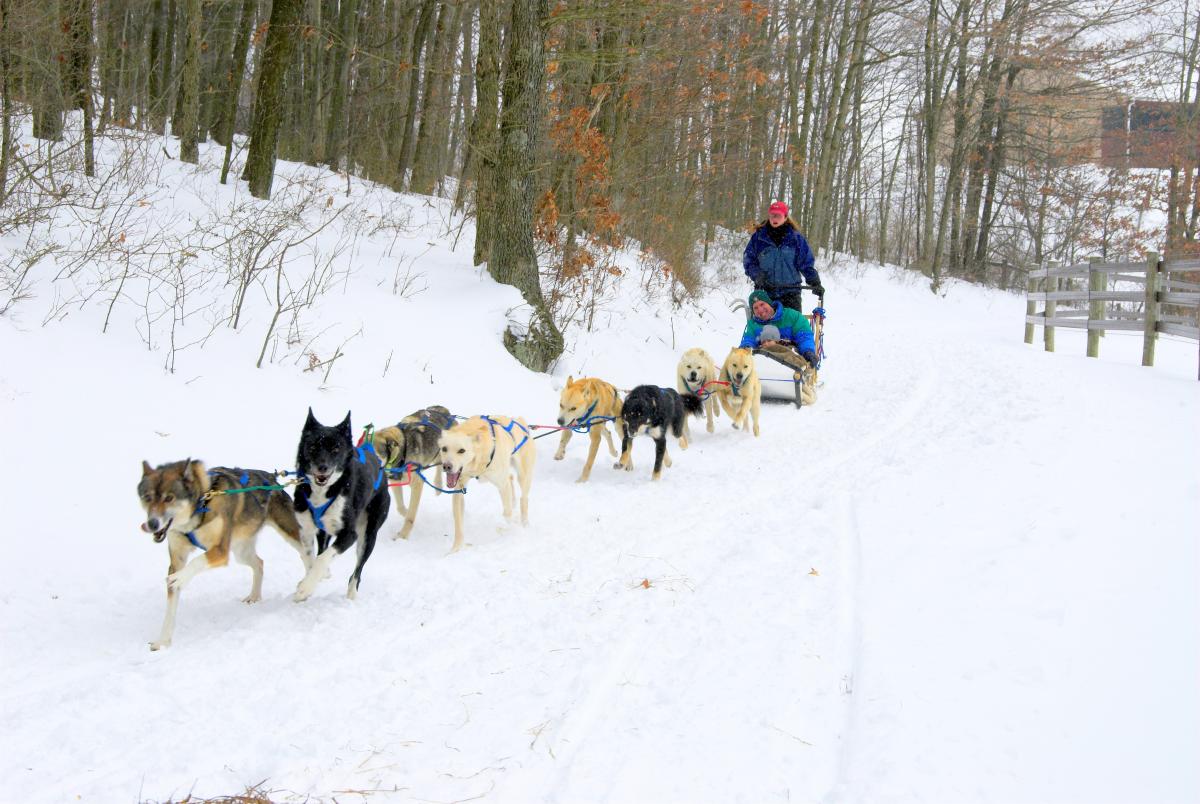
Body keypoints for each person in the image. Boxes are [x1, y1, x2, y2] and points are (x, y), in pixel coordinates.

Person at [743, 200, 824, 313]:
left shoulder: (796, 239)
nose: (774, 219)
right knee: (765, 329)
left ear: (785, 217)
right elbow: (749, 260)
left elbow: (806, 263)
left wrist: (815, 282)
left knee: (793, 327)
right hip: (765, 293)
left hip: (791, 293)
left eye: (778, 216)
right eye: (772, 215)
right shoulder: (758, 238)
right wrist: (757, 275)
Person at [740, 290, 819, 369]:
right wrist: (744, 350)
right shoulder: (753, 324)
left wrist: (807, 351)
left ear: (769, 303)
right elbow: (749, 340)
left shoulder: (792, 316)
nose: (760, 310)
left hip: (790, 361)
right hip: (765, 363)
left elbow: (804, 336)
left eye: (762, 304)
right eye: (755, 308)